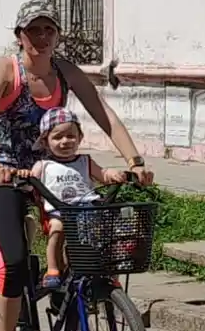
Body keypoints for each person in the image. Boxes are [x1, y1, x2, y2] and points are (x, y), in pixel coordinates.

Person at [0, 0, 154, 331]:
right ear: (20, 36)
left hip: (50, 172)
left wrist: (134, 161)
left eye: (48, 30)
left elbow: (104, 116)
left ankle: (64, 293)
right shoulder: (5, 70)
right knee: (14, 262)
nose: (41, 38)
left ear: (56, 35)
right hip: (4, 175)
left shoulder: (65, 72)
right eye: (33, 30)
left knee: (86, 233)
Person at [28, 107, 131, 290]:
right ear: (45, 141)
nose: (65, 141)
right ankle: (52, 268)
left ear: (80, 137)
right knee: (58, 230)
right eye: (57, 137)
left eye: (71, 136)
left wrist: (112, 174)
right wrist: (24, 177)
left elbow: (102, 174)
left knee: (104, 234)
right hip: (59, 211)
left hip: (87, 208)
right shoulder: (43, 165)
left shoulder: (85, 161)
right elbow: (30, 180)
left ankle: (106, 272)